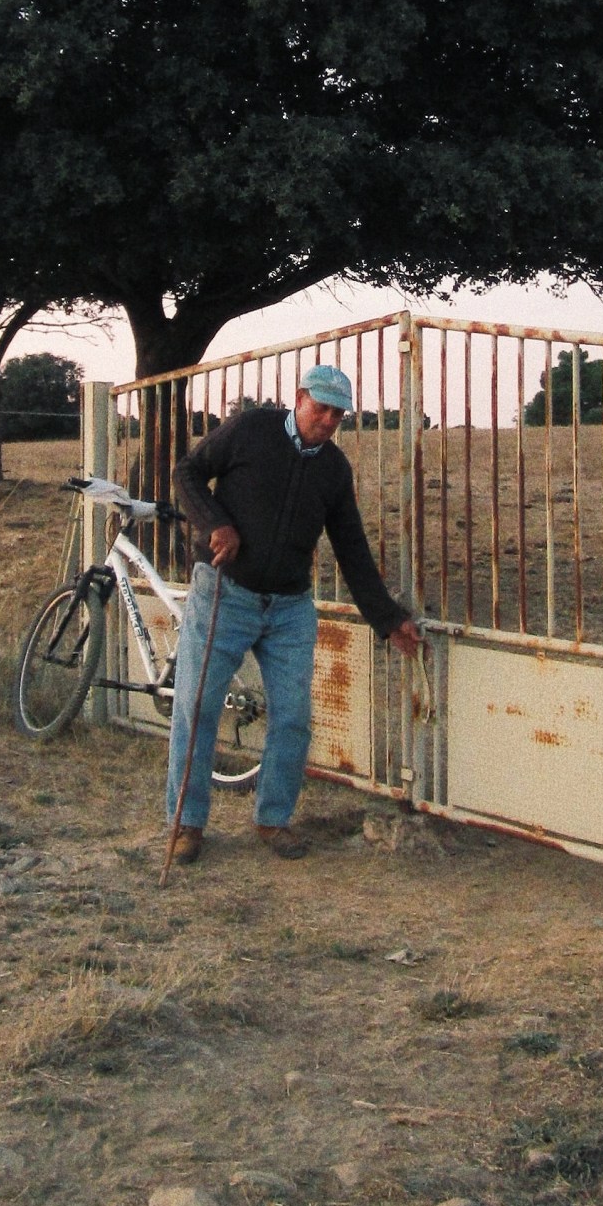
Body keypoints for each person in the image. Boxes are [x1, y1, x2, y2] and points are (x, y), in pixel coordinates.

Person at [166, 363, 424, 863]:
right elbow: (188, 472)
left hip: (289, 607)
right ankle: (186, 823)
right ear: (299, 398)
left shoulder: (334, 469)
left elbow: (351, 546)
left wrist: (388, 619)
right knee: (196, 708)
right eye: (321, 408)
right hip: (225, 591)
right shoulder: (250, 429)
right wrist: (215, 523)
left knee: (293, 717)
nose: (328, 421)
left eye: (338, 414)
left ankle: (273, 819)